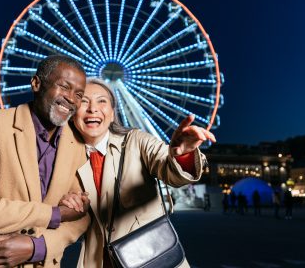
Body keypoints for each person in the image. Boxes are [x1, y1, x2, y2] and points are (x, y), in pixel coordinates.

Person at [0, 55, 91, 268]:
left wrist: (37, 247)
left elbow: (80, 217)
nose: (71, 99)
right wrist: (54, 214)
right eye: (64, 87)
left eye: (79, 95)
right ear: (36, 83)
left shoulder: (76, 144)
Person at [69, 78, 216, 268]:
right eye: (84, 101)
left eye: (101, 101)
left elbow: (167, 166)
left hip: (151, 258)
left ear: (113, 113)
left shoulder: (137, 142)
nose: (93, 108)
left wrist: (183, 155)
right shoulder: (64, 157)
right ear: (73, 112)